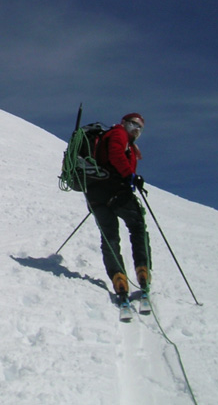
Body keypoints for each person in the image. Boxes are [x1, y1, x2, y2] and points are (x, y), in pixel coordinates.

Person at [84, 113, 151, 302]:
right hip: (115, 190)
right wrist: (130, 175)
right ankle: (142, 269)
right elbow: (115, 153)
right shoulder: (118, 134)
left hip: (95, 195)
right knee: (137, 225)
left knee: (110, 236)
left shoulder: (119, 138)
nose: (137, 129)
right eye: (134, 124)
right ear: (124, 123)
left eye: (140, 127)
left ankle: (118, 277)